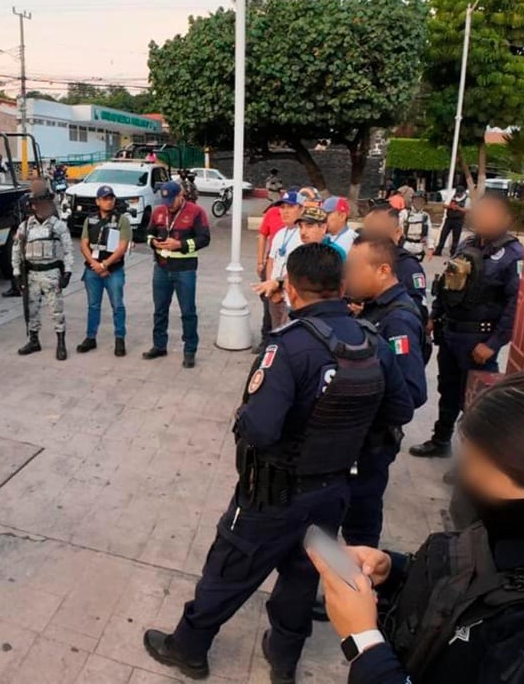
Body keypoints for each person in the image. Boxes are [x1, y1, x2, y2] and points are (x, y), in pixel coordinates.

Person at [143, 244, 414, 682]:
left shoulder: (289, 346)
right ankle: (283, 661)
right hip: (332, 493)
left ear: (289, 287)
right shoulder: (373, 343)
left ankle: (188, 648)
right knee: (301, 577)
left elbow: (261, 429)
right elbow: (399, 410)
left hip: (272, 494)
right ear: (342, 286)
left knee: (229, 569)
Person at [314, 370, 524, 684]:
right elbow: (487, 582)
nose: (464, 479)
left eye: (479, 471)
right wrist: (395, 573)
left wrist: (362, 641)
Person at [410, 194, 523, 459]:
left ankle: (473, 459)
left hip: (479, 340)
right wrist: (433, 316)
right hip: (451, 332)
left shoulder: (513, 255)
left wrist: (493, 344)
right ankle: (440, 441)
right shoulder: (467, 245)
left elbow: (515, 305)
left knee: (476, 402)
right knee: (447, 391)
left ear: (506, 219)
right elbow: (447, 284)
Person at [339, 235, 428, 546]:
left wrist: (363, 404)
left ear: (383, 270)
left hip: (373, 441)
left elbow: (413, 391)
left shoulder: (398, 320)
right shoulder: (375, 308)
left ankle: (363, 588)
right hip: (360, 437)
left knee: (360, 525)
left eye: (353, 268)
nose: (348, 276)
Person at [143, 180, 211, 368]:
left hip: (185, 269)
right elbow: (147, 234)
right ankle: (159, 345)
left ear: (181, 195)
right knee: (159, 310)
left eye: (172, 200)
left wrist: (180, 245)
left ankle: (190, 350)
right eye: (166, 201)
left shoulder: (196, 212)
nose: (169, 205)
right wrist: (153, 243)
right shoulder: (158, 211)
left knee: (188, 312)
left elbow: (205, 239)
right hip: (161, 268)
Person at [12, 189, 74, 360]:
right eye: (37, 204)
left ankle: (61, 343)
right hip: (31, 274)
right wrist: (16, 273)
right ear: (33, 206)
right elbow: (16, 250)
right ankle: (34, 341)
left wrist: (67, 272)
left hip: (51, 272)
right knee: (31, 309)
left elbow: (68, 250)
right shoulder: (25, 226)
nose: (41, 207)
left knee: (56, 310)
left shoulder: (58, 225)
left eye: (45, 203)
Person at [77, 185, 132, 356]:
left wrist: (105, 265)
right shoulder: (90, 219)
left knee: (118, 306)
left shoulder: (121, 219)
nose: (109, 202)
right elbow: (83, 244)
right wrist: (94, 263)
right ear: (98, 201)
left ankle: (119, 338)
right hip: (93, 270)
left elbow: (122, 247)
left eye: (111, 198)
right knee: (93, 306)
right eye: (105, 198)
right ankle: (90, 337)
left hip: (113, 270)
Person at [362, 206, 428, 320]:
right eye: (368, 232)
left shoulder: (408, 266)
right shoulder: (363, 260)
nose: (371, 239)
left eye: (378, 232)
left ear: (397, 232)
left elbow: (418, 311)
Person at [253, 191, 303, 331]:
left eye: (290, 207)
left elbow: (298, 268)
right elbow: (271, 261)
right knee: (276, 332)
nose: (285, 212)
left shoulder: (303, 235)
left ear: (301, 209)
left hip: (290, 296)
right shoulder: (280, 234)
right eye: (282, 208)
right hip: (274, 294)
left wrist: (279, 287)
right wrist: (270, 286)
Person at [2, 180, 52, 299]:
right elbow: (16, 214)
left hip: (41, 236)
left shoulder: (47, 200)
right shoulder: (24, 199)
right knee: (18, 261)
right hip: (24, 234)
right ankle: (16, 287)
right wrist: (17, 231)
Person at [434, 187, 468, 256]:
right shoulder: (452, 196)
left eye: (460, 193)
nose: (458, 194)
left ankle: (453, 252)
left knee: (456, 237)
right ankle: (438, 250)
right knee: (443, 234)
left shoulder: (467, 199)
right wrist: (450, 206)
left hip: (458, 220)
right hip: (449, 218)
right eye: (457, 192)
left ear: (463, 193)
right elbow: (444, 205)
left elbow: (468, 210)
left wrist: (458, 208)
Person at [401, 191, 431, 260]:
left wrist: (430, 247)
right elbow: (397, 228)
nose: (419, 203)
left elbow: (430, 233)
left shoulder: (425, 216)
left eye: (421, 201)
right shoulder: (405, 213)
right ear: (413, 201)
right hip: (406, 244)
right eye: (417, 200)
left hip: (419, 246)